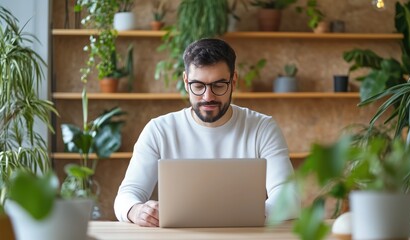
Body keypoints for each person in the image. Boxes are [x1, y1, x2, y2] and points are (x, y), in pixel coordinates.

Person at [114, 38, 300, 227]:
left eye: (219, 85)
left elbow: (289, 196)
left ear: (233, 81)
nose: (208, 97)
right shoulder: (159, 130)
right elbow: (127, 195)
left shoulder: (262, 128)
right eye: (198, 86)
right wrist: (136, 211)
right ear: (186, 82)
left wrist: (254, 213)